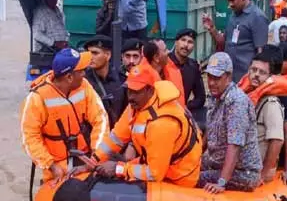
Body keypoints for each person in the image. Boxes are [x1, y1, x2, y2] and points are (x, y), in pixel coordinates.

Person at [91, 64, 202, 187]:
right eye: (129, 91)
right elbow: (116, 137)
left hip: (179, 177)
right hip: (157, 164)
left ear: (149, 90)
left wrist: (118, 169)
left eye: (136, 92)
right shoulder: (137, 105)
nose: (131, 96)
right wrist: (93, 160)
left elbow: (155, 174)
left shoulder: (162, 123)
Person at [20, 49, 109, 184]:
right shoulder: (37, 98)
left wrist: (96, 156)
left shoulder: (84, 86)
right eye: (81, 71)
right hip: (55, 165)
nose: (84, 74)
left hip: (84, 159)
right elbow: (30, 138)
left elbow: (100, 119)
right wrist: (51, 165)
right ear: (69, 77)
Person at [198, 52, 262, 193]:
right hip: (215, 161)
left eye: (217, 78)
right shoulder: (215, 97)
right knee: (182, 168)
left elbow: (234, 145)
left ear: (228, 76)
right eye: (209, 77)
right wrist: (196, 155)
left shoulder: (236, 102)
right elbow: (210, 130)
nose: (211, 82)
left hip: (243, 173)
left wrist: (222, 182)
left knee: (191, 178)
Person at [238, 48, 287, 185]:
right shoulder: (244, 95)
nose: (256, 75)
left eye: (262, 72)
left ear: (270, 77)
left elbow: (278, 140)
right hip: (245, 162)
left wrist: (262, 176)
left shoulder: (271, 104)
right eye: (253, 70)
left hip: (257, 169)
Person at [203, 0, 269, 83]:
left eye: (233, 0)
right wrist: (212, 29)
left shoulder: (257, 17)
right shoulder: (233, 15)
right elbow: (223, 43)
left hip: (246, 80)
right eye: (228, 1)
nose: (230, 5)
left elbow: (261, 53)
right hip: (230, 79)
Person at [84, 35, 127, 128]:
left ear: (108, 55)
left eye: (95, 53)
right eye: (88, 53)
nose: (90, 57)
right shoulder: (83, 81)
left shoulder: (121, 80)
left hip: (116, 135)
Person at [168, 28, 206, 114]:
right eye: (183, 40)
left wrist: (186, 107)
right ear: (176, 42)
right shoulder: (164, 62)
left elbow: (200, 98)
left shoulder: (193, 67)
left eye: (190, 42)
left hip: (182, 113)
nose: (186, 45)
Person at [142, 39, 186, 108]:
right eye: (165, 50)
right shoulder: (142, 82)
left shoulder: (172, 69)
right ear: (156, 57)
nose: (168, 52)